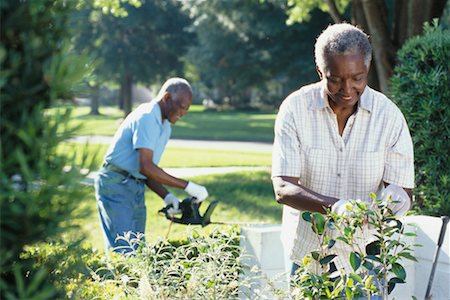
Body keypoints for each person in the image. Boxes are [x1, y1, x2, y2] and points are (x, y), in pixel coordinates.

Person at [271, 23, 414, 280]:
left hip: (366, 258)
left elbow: (403, 190)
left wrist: (393, 200)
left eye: (357, 78)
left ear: (367, 69)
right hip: (309, 255)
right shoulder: (295, 109)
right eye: (335, 80)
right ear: (320, 71)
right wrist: (336, 207)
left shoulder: (389, 116)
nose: (347, 90)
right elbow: (283, 187)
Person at [95, 77, 208, 252]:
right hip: (116, 185)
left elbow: (149, 171)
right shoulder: (147, 116)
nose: (184, 112)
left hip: (135, 186)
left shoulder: (165, 126)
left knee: (138, 248)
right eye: (182, 106)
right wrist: (188, 186)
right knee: (124, 249)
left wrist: (168, 197)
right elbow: (146, 167)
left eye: (187, 109)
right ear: (167, 98)